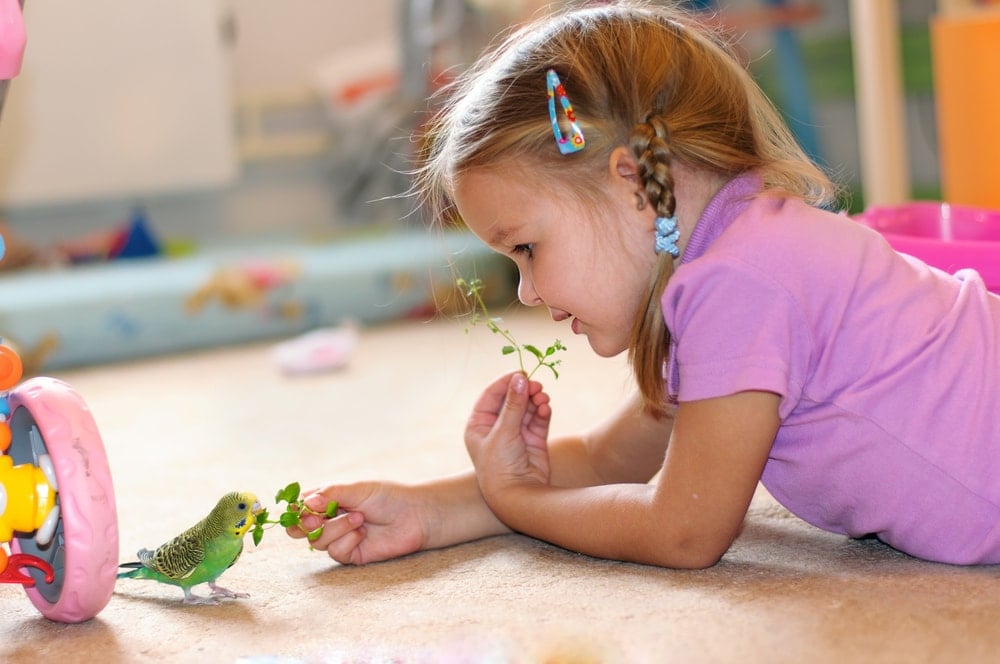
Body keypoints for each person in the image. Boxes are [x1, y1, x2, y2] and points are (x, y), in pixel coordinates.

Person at [287, 1, 1000, 568]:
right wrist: (430, 510)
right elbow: (604, 460)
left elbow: (683, 530)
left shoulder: (743, 279)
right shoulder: (722, 269)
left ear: (630, 182)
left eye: (528, 248)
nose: (529, 293)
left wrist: (520, 503)